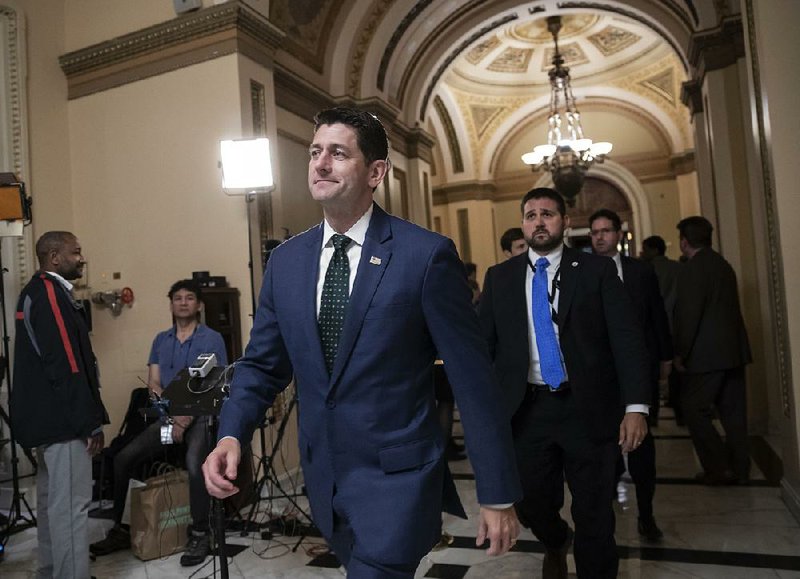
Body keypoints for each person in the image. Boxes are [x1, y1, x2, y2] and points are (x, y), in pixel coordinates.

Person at [203, 106, 521, 578]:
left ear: (376, 172)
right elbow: (263, 365)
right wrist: (232, 433)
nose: (320, 164)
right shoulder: (287, 263)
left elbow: (473, 381)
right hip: (325, 481)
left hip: (399, 482)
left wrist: (496, 491)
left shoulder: (424, 256)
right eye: (315, 153)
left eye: (337, 153)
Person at [478, 188, 651, 579]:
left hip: (586, 407)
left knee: (593, 511)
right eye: (531, 215)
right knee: (531, 501)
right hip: (527, 409)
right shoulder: (500, 277)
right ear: (523, 223)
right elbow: (483, 347)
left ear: (564, 222)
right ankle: (556, 539)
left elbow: (627, 340)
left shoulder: (596, 271)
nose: (538, 222)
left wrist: (636, 407)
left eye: (548, 214)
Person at [90, 279, 227, 567]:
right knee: (124, 458)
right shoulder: (160, 340)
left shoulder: (211, 339)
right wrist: (171, 417)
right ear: (171, 304)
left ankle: (201, 532)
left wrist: (183, 419)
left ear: (199, 305)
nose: (183, 302)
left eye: (190, 297)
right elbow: (153, 383)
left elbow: (207, 386)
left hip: (201, 418)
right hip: (169, 420)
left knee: (194, 462)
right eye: (178, 297)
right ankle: (122, 528)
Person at [10, 231, 108, 579]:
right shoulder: (49, 295)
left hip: (47, 422)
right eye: (75, 252)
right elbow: (66, 364)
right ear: (54, 257)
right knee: (70, 510)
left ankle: (51, 572)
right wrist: (89, 422)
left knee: (54, 508)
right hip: (63, 423)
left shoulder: (34, 292)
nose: (81, 258)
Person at [589, 209, 673, 541]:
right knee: (605, 443)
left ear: (618, 234)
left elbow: (657, 315)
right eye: (594, 232)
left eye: (605, 231)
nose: (599, 237)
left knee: (641, 446)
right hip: (599, 376)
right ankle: (606, 498)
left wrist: (665, 356)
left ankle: (647, 514)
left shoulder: (641, 272)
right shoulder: (581, 272)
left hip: (638, 370)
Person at [673, 216, 752, 485]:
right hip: (733, 351)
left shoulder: (693, 269)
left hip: (706, 356)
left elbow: (689, 315)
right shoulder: (722, 264)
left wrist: (681, 352)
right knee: (734, 414)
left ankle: (719, 468)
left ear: (684, 242)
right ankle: (740, 469)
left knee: (693, 410)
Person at [641, 234, 683, 422]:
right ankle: (680, 412)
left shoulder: (645, 270)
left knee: (652, 375)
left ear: (654, 250)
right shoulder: (678, 269)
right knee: (678, 373)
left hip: (655, 327)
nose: (642, 252)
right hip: (678, 325)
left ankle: (653, 415)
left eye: (646, 248)